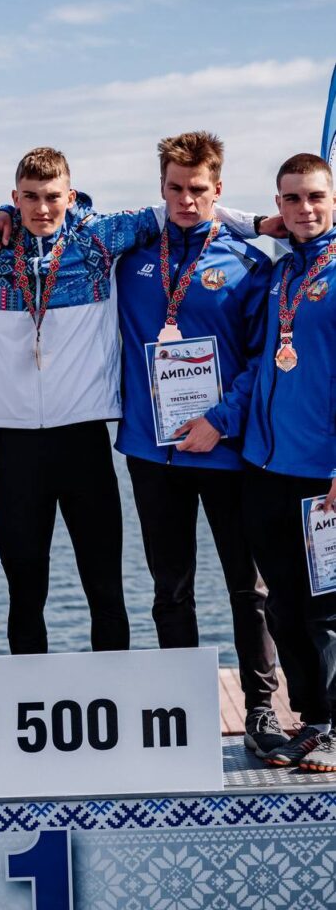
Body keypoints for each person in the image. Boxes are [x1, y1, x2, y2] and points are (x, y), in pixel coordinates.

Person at [0, 147, 175, 655]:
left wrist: (261, 223)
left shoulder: (98, 240)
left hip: (85, 440)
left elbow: (181, 208)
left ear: (71, 195)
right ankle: (27, 700)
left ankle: (113, 692)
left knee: (105, 591)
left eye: (53, 197)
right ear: (15, 197)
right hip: (18, 448)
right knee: (25, 596)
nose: (42, 208)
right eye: (30, 197)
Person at [112, 131, 282, 756]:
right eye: (176, 188)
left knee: (248, 587)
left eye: (199, 189)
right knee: (170, 588)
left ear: (219, 190)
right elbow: (61, 215)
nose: (186, 199)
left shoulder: (249, 265)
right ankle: (181, 710)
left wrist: (220, 420)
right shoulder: (128, 260)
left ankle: (261, 710)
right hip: (152, 452)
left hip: (227, 450)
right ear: (161, 189)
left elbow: (264, 358)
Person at [243, 153, 336, 771]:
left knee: (327, 609)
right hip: (266, 466)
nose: (305, 209)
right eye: (293, 199)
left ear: (334, 201)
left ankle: (335, 724)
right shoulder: (281, 271)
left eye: (316, 197)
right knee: (283, 601)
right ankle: (312, 720)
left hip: (321, 472)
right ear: (278, 205)